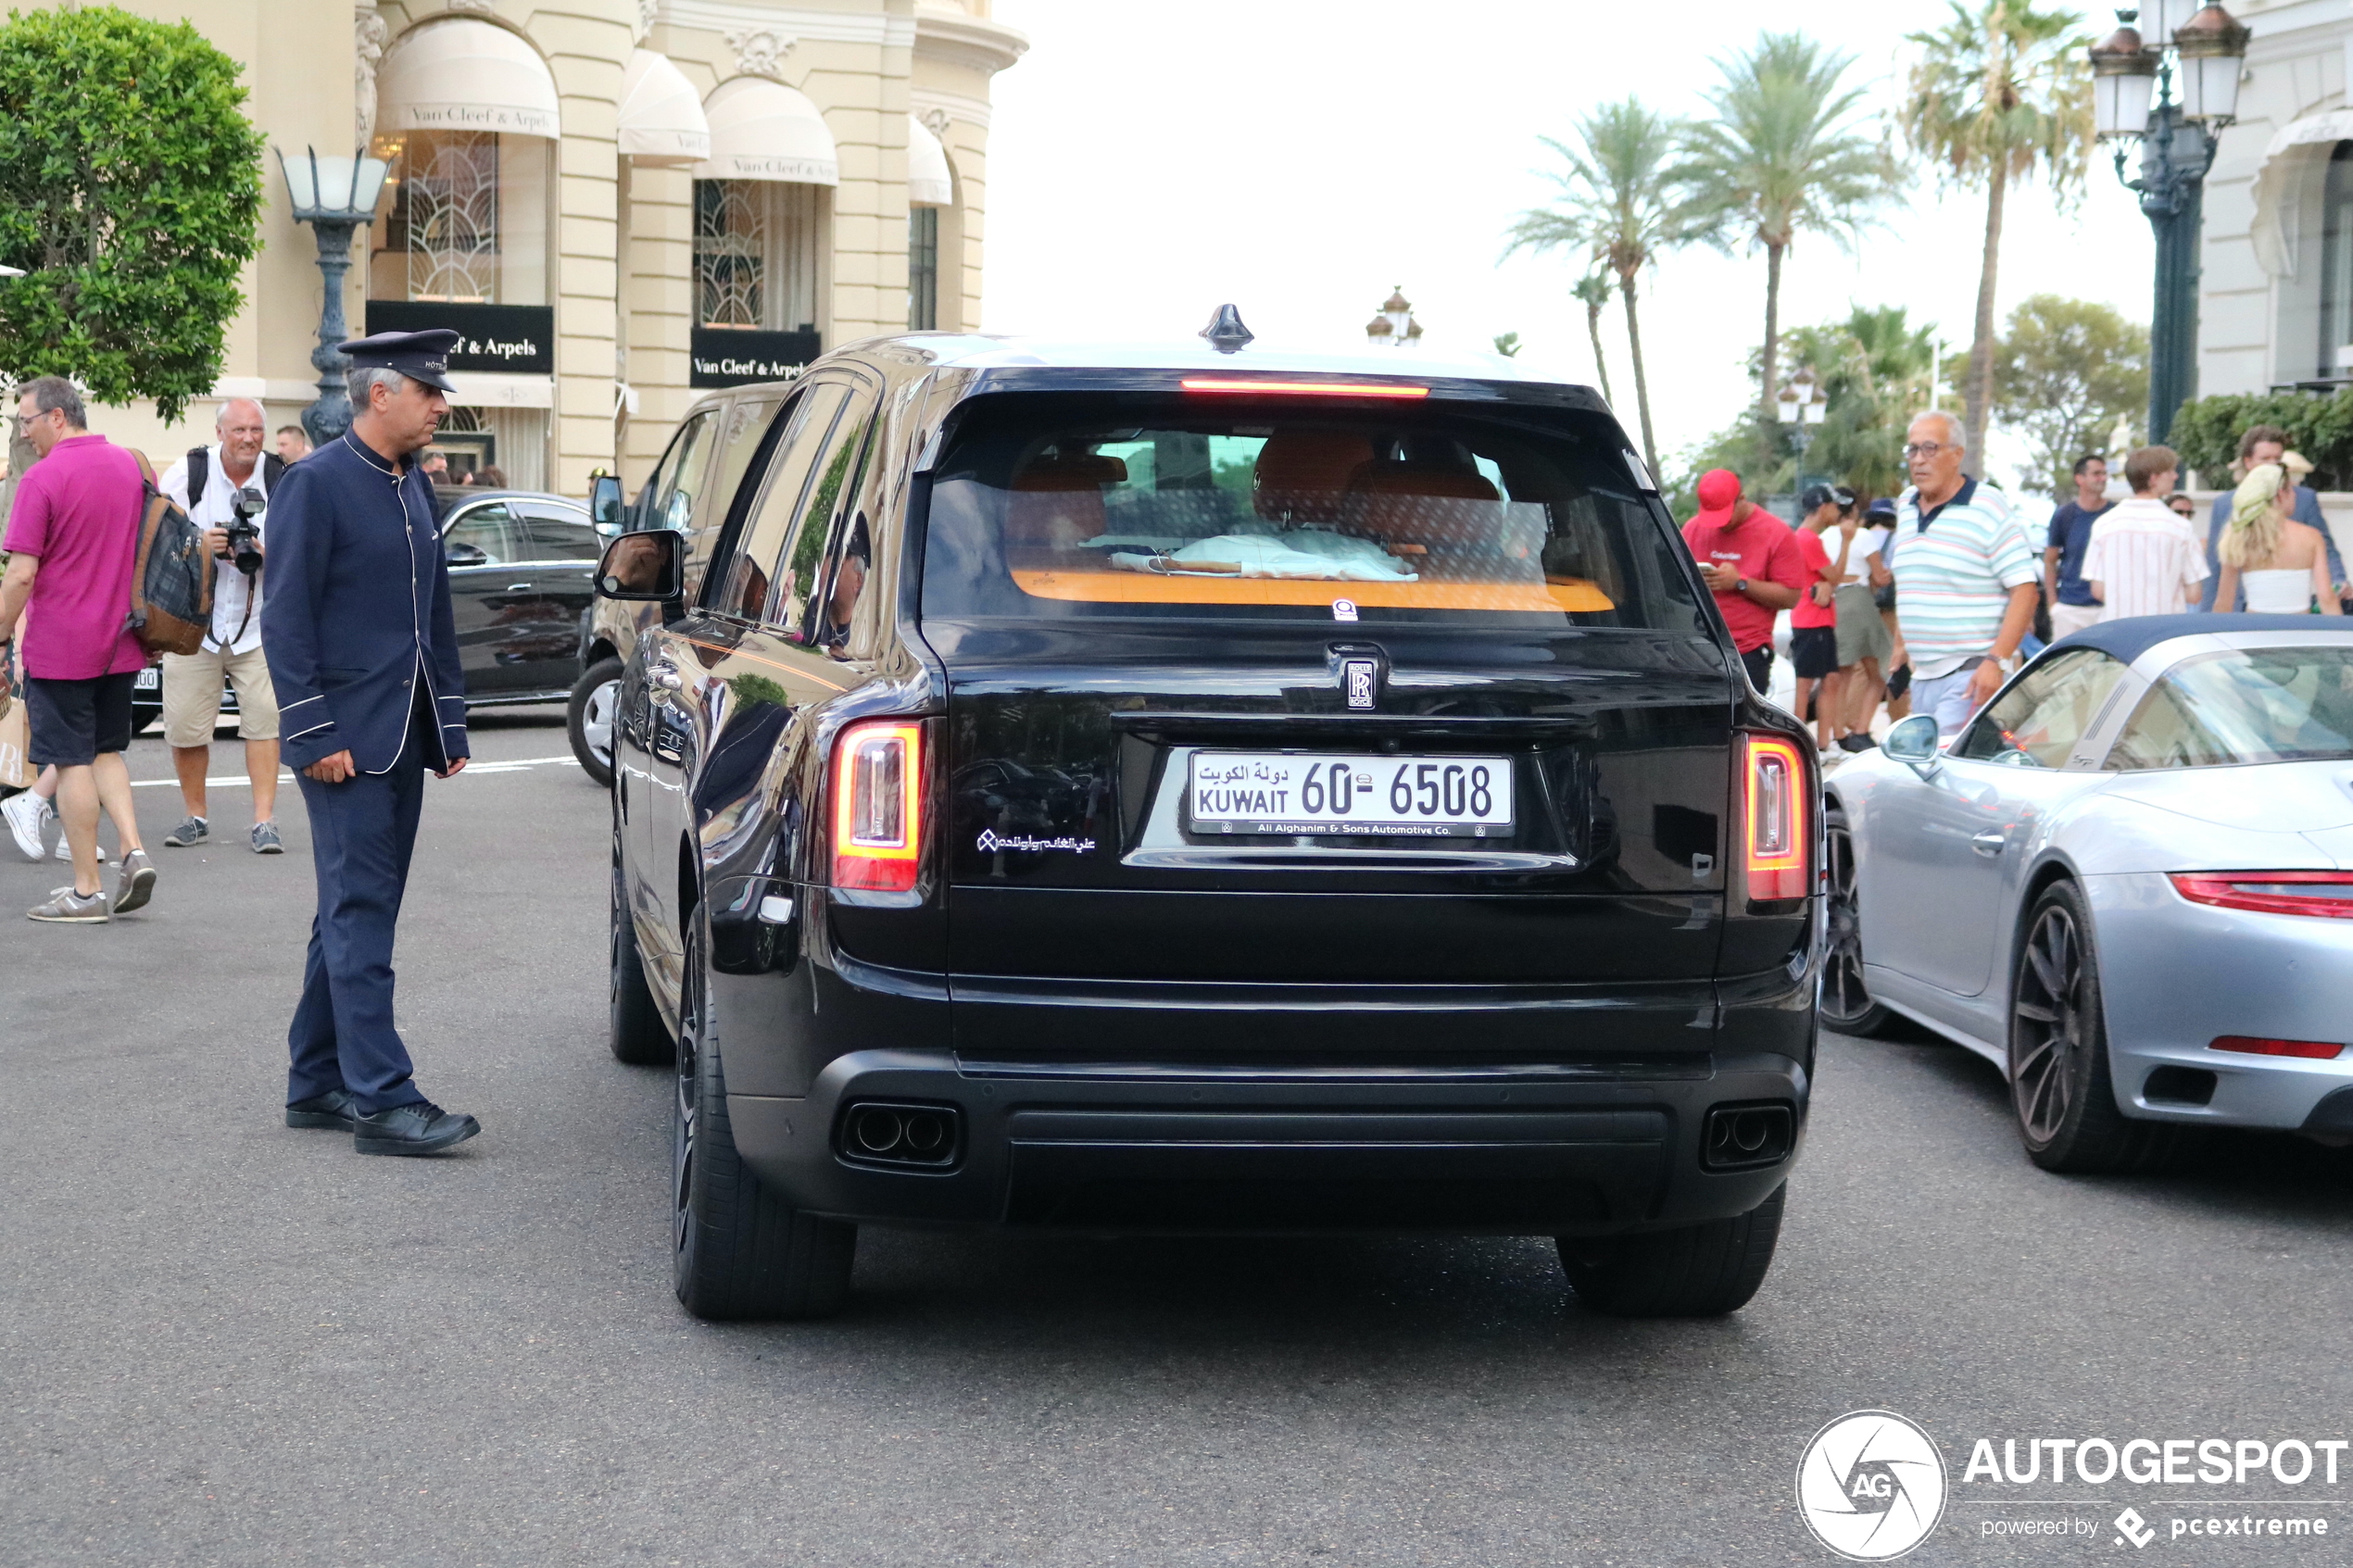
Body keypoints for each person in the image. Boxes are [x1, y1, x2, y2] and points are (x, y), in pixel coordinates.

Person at [260, 330, 481, 1156]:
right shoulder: (315, 484)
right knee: (360, 911)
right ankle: (384, 1098)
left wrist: (449, 722)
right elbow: (284, 619)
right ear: (379, 394)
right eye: (428, 390)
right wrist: (312, 730)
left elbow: (434, 618)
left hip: (404, 736)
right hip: (343, 741)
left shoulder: (410, 484)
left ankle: (315, 1079)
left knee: (353, 909)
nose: (441, 404)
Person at [0, 376, 156, 921]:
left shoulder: (42, 479)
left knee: (69, 762)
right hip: (122, 640)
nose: (24, 433)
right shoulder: (132, 467)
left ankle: (87, 891)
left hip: (62, 644)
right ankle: (133, 851)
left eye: (27, 421)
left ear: (57, 418)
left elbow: (20, 575)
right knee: (105, 752)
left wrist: (0, 636)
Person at [156, 397, 286, 854]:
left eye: (256, 430)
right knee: (188, 726)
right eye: (238, 430)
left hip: (258, 625)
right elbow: (155, 536)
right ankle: (195, 815)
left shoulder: (281, 477)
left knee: (264, 723)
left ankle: (264, 821)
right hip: (196, 627)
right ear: (219, 432)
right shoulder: (188, 473)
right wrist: (199, 544)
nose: (248, 438)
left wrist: (266, 552)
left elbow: (302, 546)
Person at [1889, 411, 2040, 737]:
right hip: (1923, 674)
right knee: (1929, 770)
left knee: (1944, 769)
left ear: (1957, 454)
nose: (1918, 460)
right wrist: (1901, 649)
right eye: (1912, 450)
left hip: (1970, 672)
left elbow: (2025, 589)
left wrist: (1995, 662)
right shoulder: (1905, 505)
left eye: (1930, 448)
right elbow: (1914, 583)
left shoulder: (1987, 505)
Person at [1679, 467, 1804, 692]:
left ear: (1742, 500)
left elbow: (1791, 597)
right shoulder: (1692, 529)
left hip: (1746, 652)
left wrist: (1740, 583)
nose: (1718, 524)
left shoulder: (1776, 533)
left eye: (1724, 516)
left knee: (1739, 725)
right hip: (1696, 648)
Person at [2201, 426, 2348, 610]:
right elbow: (2215, 565)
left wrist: (2338, 579)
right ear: (2248, 461)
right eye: (2265, 458)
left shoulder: (2304, 499)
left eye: (2277, 458)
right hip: (2241, 608)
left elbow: (2326, 547)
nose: (2272, 464)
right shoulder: (2224, 504)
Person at [2081, 445, 2207, 622]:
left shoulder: (2104, 524)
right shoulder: (2180, 527)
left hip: (2117, 627)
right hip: (2165, 629)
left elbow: (2098, 590)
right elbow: (2194, 594)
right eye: (2170, 471)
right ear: (2154, 478)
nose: (2175, 476)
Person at [2214, 462, 2346, 617]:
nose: (2295, 495)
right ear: (2280, 493)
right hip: (2298, 629)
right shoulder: (2311, 536)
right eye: (2291, 489)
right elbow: (2327, 598)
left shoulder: (2239, 535)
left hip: (2255, 630)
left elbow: (2224, 601)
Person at [1790, 483, 1857, 755]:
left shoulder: (1806, 538)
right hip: (1811, 620)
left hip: (1818, 619)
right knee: (1806, 684)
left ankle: (1823, 743)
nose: (1838, 511)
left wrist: (1830, 585)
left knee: (1830, 680)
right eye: (1834, 505)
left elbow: (1827, 579)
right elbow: (1836, 575)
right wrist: (1846, 541)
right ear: (1823, 507)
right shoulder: (1807, 539)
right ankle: (1802, 743)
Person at [1834, 497, 1899, 751]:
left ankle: (1850, 723)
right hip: (1888, 610)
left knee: (1856, 670)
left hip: (1852, 605)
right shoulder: (1894, 540)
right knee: (1888, 664)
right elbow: (1887, 575)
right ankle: (1897, 721)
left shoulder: (1851, 537)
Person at [2043, 454, 2111, 639]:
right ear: (2079, 478)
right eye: (2096, 474)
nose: (2103, 478)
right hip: (2070, 609)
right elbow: (2050, 561)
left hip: (2107, 607)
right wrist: (2053, 606)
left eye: (2105, 474)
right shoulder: (2064, 516)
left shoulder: (2115, 515)